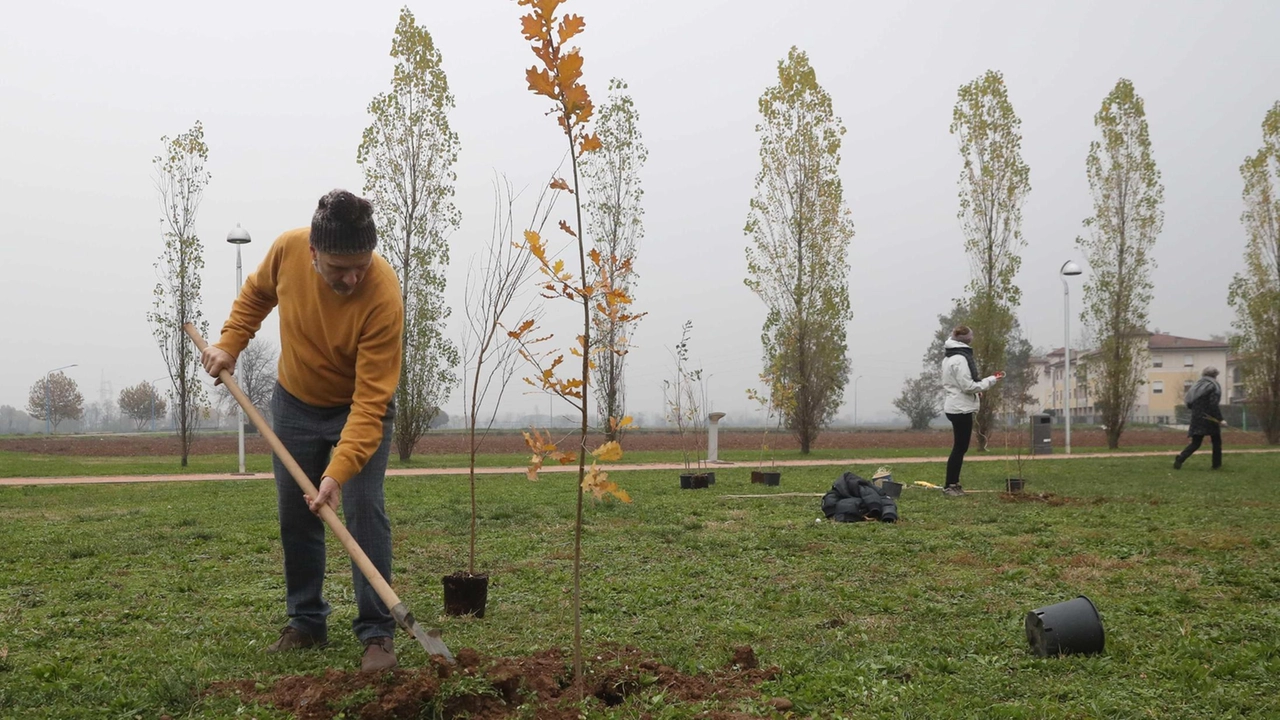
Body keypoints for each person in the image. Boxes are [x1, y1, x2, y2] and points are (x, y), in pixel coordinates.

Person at [200, 189, 404, 672]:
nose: (352, 277)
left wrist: (336, 475)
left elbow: (371, 402)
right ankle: (307, 622)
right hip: (294, 402)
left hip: (358, 407)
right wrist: (229, 344)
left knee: (363, 508)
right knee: (296, 514)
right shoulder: (288, 250)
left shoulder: (383, 295)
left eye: (361, 265)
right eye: (339, 268)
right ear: (314, 253)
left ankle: (377, 632)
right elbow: (255, 296)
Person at [939, 325, 1003, 496]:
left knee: (960, 447)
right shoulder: (960, 359)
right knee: (960, 448)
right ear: (966, 339)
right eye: (971, 335)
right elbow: (967, 386)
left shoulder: (949, 357)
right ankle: (950, 485)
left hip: (956, 405)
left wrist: (977, 390)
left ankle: (953, 484)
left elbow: (959, 384)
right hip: (960, 408)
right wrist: (991, 380)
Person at [1175, 366, 1224, 470]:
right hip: (1209, 418)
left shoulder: (1196, 386)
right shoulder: (1213, 386)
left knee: (1196, 443)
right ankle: (1216, 465)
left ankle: (1180, 458)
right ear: (1215, 375)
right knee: (1216, 441)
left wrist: (1197, 411)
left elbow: (1189, 403)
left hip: (1197, 417)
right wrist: (1220, 419)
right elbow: (1213, 404)